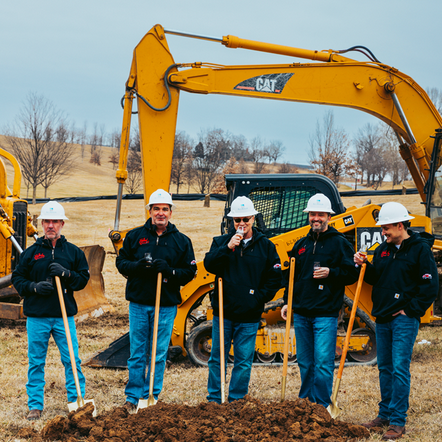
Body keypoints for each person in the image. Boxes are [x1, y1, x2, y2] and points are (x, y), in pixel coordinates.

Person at [354, 202, 438, 440]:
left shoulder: (419, 250)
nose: (383, 232)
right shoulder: (382, 250)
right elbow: (376, 278)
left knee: (400, 369)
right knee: (385, 368)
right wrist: (365, 266)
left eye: (387, 228)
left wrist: (411, 310)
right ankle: (385, 414)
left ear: (400, 225)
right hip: (382, 319)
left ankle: (398, 422)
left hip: (403, 320)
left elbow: (430, 286)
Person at [116, 189, 197, 411]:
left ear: (171, 212)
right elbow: (121, 263)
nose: (160, 213)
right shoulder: (135, 236)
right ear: (150, 211)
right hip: (139, 303)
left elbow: (190, 272)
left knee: (158, 352)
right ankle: (132, 397)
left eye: (165, 209)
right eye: (156, 209)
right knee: (137, 351)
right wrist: (136, 267)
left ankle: (150, 395)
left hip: (166, 305)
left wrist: (170, 271)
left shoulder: (181, 241)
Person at [12, 201, 90, 420]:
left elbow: (83, 279)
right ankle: (35, 405)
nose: (51, 225)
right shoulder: (31, 253)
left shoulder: (73, 252)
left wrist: (66, 274)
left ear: (62, 224)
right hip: (37, 316)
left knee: (72, 360)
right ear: (42, 223)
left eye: (55, 221)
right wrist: (34, 287)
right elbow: (18, 278)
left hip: (63, 316)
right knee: (36, 361)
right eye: (47, 221)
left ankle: (77, 402)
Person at [280, 193, 358, 408]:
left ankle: (322, 406)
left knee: (323, 363)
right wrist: (288, 301)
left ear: (329, 217)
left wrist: (331, 272)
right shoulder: (300, 245)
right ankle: (306, 403)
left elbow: (351, 273)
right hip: (302, 313)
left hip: (325, 314)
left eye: (320, 214)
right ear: (308, 216)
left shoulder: (339, 243)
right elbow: (292, 276)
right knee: (305, 362)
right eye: (313, 214)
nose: (316, 218)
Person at [204, 196, 282, 403]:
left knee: (243, 361)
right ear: (232, 221)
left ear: (253, 219)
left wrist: (258, 299)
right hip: (224, 312)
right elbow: (209, 265)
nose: (241, 224)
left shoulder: (266, 246)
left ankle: (236, 399)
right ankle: (214, 398)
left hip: (249, 315)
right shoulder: (220, 242)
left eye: (245, 219)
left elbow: (274, 278)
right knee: (217, 359)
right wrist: (228, 247)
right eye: (237, 219)